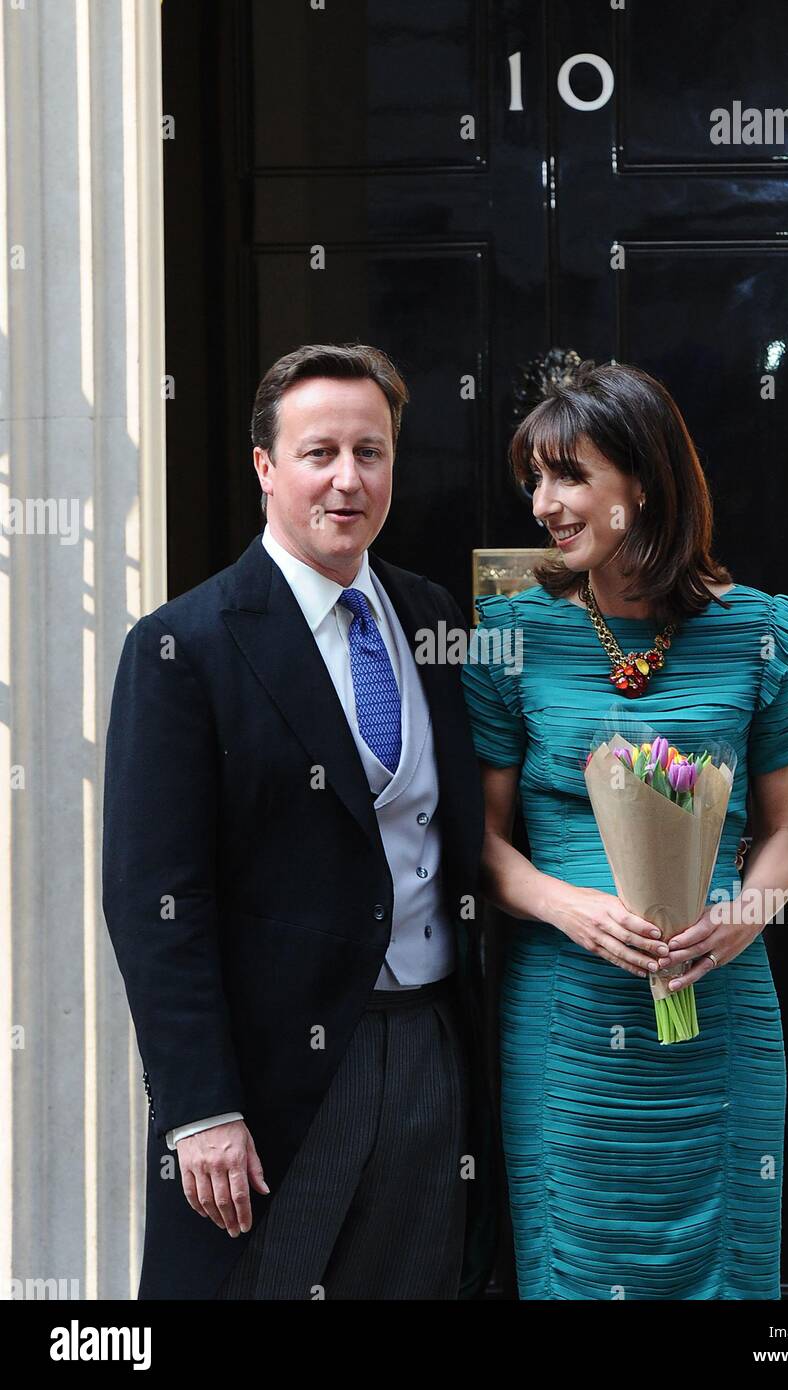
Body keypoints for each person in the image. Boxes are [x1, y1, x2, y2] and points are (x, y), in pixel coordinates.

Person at [102, 343, 493, 1300]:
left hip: (433, 1046)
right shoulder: (181, 647)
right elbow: (156, 898)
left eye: (373, 451)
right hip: (279, 1078)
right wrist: (199, 1110)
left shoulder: (433, 614)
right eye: (319, 452)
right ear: (265, 467)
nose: (348, 479)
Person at [461, 360, 788, 1299]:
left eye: (568, 475)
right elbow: (480, 842)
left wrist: (743, 915)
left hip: (720, 1008)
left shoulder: (764, 636)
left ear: (646, 483)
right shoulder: (508, 638)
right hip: (568, 1016)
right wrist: (567, 906)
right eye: (534, 479)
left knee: (727, 1271)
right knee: (572, 1261)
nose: (543, 503)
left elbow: (785, 833)